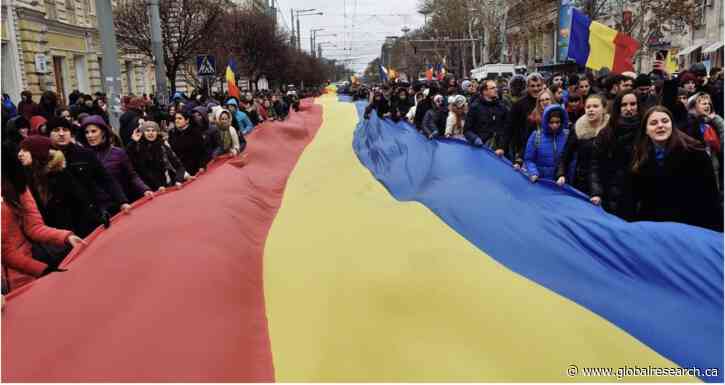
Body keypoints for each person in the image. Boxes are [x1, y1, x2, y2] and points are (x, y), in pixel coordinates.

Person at [2, 142, 85, 293]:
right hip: (19, 276)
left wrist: (66, 237)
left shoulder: (15, 186)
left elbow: (34, 227)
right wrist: (41, 269)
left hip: (25, 275)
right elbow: (5, 253)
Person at [631, 106, 721, 231]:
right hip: (656, 229)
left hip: (692, 226)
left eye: (665, 121)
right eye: (653, 123)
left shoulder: (695, 151)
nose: (660, 126)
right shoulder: (640, 156)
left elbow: (710, 195)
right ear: (646, 130)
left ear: (672, 125)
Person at [18, 134, 104, 237]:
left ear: (37, 152)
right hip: (55, 237)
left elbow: (82, 205)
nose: (19, 154)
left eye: (25, 150)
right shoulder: (30, 177)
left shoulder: (60, 175)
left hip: (75, 236)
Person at [47, 116, 127, 218]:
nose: (61, 134)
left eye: (65, 130)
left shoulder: (85, 154)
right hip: (60, 217)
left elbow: (106, 179)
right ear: (49, 134)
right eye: (56, 130)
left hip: (89, 214)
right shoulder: (44, 157)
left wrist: (122, 201)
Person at [79, 115, 153, 212]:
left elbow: (132, 176)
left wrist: (145, 190)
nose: (90, 135)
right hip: (95, 211)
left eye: (93, 131)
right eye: (86, 132)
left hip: (119, 206)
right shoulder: (82, 155)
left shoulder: (118, 153)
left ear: (103, 132)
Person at [590, 91, 640, 220]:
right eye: (624, 105)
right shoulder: (606, 133)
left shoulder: (646, 131)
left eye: (633, 104)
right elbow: (595, 164)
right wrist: (596, 191)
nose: (629, 108)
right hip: (611, 196)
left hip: (638, 197)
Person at [557, 94, 610, 197]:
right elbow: (566, 155)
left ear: (604, 109)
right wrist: (561, 174)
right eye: (588, 107)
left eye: (595, 106)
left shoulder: (611, 128)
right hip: (582, 181)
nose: (591, 109)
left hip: (607, 181)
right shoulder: (578, 128)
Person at [127, 121, 188, 192]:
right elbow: (128, 157)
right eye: (147, 131)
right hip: (148, 189)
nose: (151, 133)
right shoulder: (138, 147)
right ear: (143, 133)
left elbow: (179, 166)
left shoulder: (163, 147)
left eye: (153, 130)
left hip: (166, 186)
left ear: (157, 132)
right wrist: (133, 142)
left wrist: (178, 180)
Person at [524, 104, 570, 182]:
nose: (554, 125)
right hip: (541, 181)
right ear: (546, 122)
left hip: (561, 181)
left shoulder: (567, 136)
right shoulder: (536, 136)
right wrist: (533, 172)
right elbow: (529, 159)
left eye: (557, 122)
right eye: (551, 122)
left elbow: (571, 160)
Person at [508, 73, 545, 166]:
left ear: (543, 85)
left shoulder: (549, 101)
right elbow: (511, 128)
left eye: (538, 85)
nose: (536, 89)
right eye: (532, 86)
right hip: (524, 149)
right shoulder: (518, 105)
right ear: (527, 87)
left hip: (545, 148)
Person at [464, 79, 508, 155]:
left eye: (496, 87)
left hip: (500, 151)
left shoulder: (501, 107)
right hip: (481, 150)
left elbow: (507, 128)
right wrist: (475, 139)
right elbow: (467, 130)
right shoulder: (475, 107)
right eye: (492, 88)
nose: (496, 90)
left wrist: (502, 147)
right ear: (484, 91)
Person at [169, 110, 208, 176]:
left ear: (187, 120)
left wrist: (202, 166)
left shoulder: (195, 133)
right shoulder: (172, 133)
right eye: (175, 118)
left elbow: (202, 151)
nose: (177, 120)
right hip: (179, 171)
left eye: (180, 118)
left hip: (193, 169)